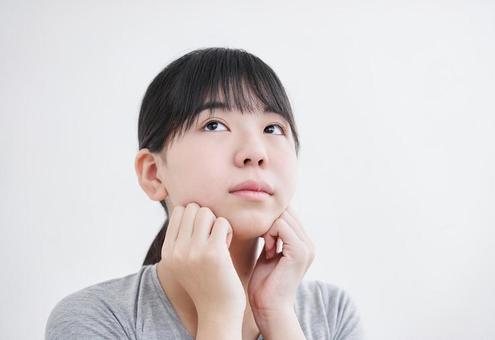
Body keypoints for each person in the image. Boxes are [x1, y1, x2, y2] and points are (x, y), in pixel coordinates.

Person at [45, 47, 365, 340]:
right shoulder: (96, 318)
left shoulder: (331, 314)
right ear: (153, 173)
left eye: (272, 128)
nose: (254, 152)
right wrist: (218, 315)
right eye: (214, 124)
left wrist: (276, 314)